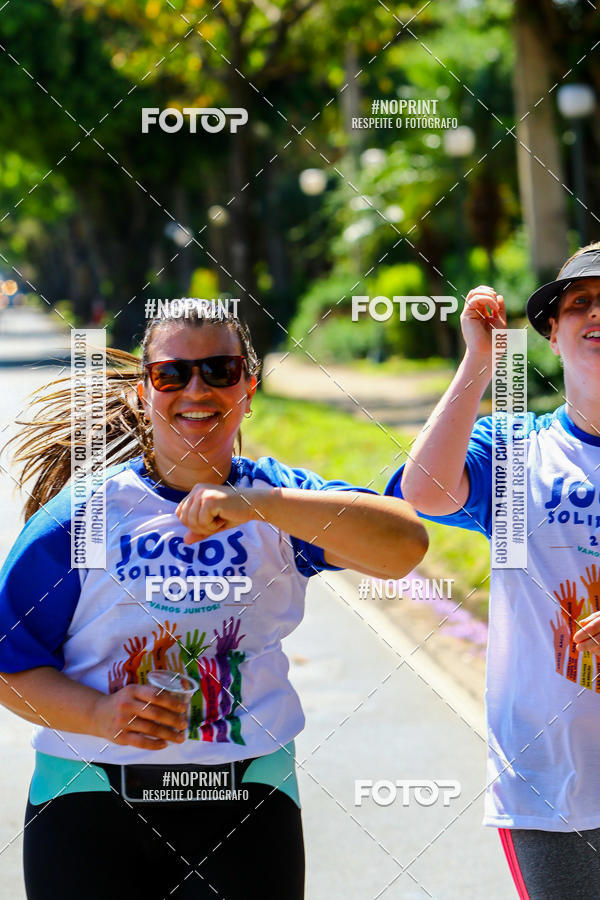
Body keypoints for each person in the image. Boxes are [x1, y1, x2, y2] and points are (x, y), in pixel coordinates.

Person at [0, 300, 428, 900]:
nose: (195, 388)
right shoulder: (83, 515)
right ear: (147, 391)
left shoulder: (283, 502)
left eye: (220, 371)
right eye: (171, 374)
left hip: (247, 797)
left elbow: (404, 545)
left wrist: (258, 504)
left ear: (249, 388)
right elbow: (8, 663)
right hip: (89, 796)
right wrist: (97, 716)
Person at [387, 243, 600, 899]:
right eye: (581, 304)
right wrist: (479, 366)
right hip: (549, 787)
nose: (598, 314)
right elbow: (421, 492)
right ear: (553, 336)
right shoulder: (516, 451)